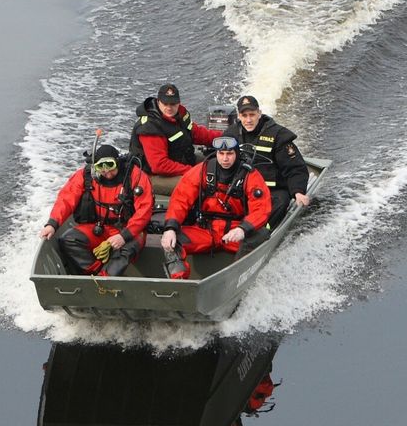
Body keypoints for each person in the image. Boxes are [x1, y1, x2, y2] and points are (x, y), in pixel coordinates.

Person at [159, 135, 272, 279]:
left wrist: (243, 229)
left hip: (235, 233)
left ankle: (237, 279)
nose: (225, 159)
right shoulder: (203, 170)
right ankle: (180, 283)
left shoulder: (250, 175)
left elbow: (261, 208)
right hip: (207, 231)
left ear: (237, 154)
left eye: (230, 154)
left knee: (261, 236)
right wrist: (170, 228)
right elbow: (180, 200)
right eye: (221, 153)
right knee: (172, 241)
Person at [39, 144, 153, 276]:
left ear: (118, 162)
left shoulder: (136, 176)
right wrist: (52, 224)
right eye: (102, 168)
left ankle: (105, 278)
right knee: (68, 240)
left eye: (111, 167)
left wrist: (123, 236)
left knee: (126, 250)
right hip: (99, 228)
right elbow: (66, 199)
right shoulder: (85, 176)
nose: (108, 174)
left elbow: (144, 210)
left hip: (130, 229)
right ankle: (95, 272)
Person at [223, 94, 310, 227]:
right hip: (242, 190)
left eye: (252, 115)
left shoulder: (278, 135)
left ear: (259, 113)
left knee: (281, 202)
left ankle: (262, 231)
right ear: (238, 116)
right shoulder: (230, 134)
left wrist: (298, 192)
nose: (248, 120)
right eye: (244, 116)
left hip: (272, 192)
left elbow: (295, 167)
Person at [128, 83, 224, 191]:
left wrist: (226, 137)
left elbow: (197, 134)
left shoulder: (181, 115)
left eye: (173, 103)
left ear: (178, 103)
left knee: (220, 164)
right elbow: (159, 165)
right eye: (165, 103)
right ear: (158, 101)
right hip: (151, 176)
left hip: (179, 160)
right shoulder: (150, 127)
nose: (169, 107)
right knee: (198, 183)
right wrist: (192, 170)